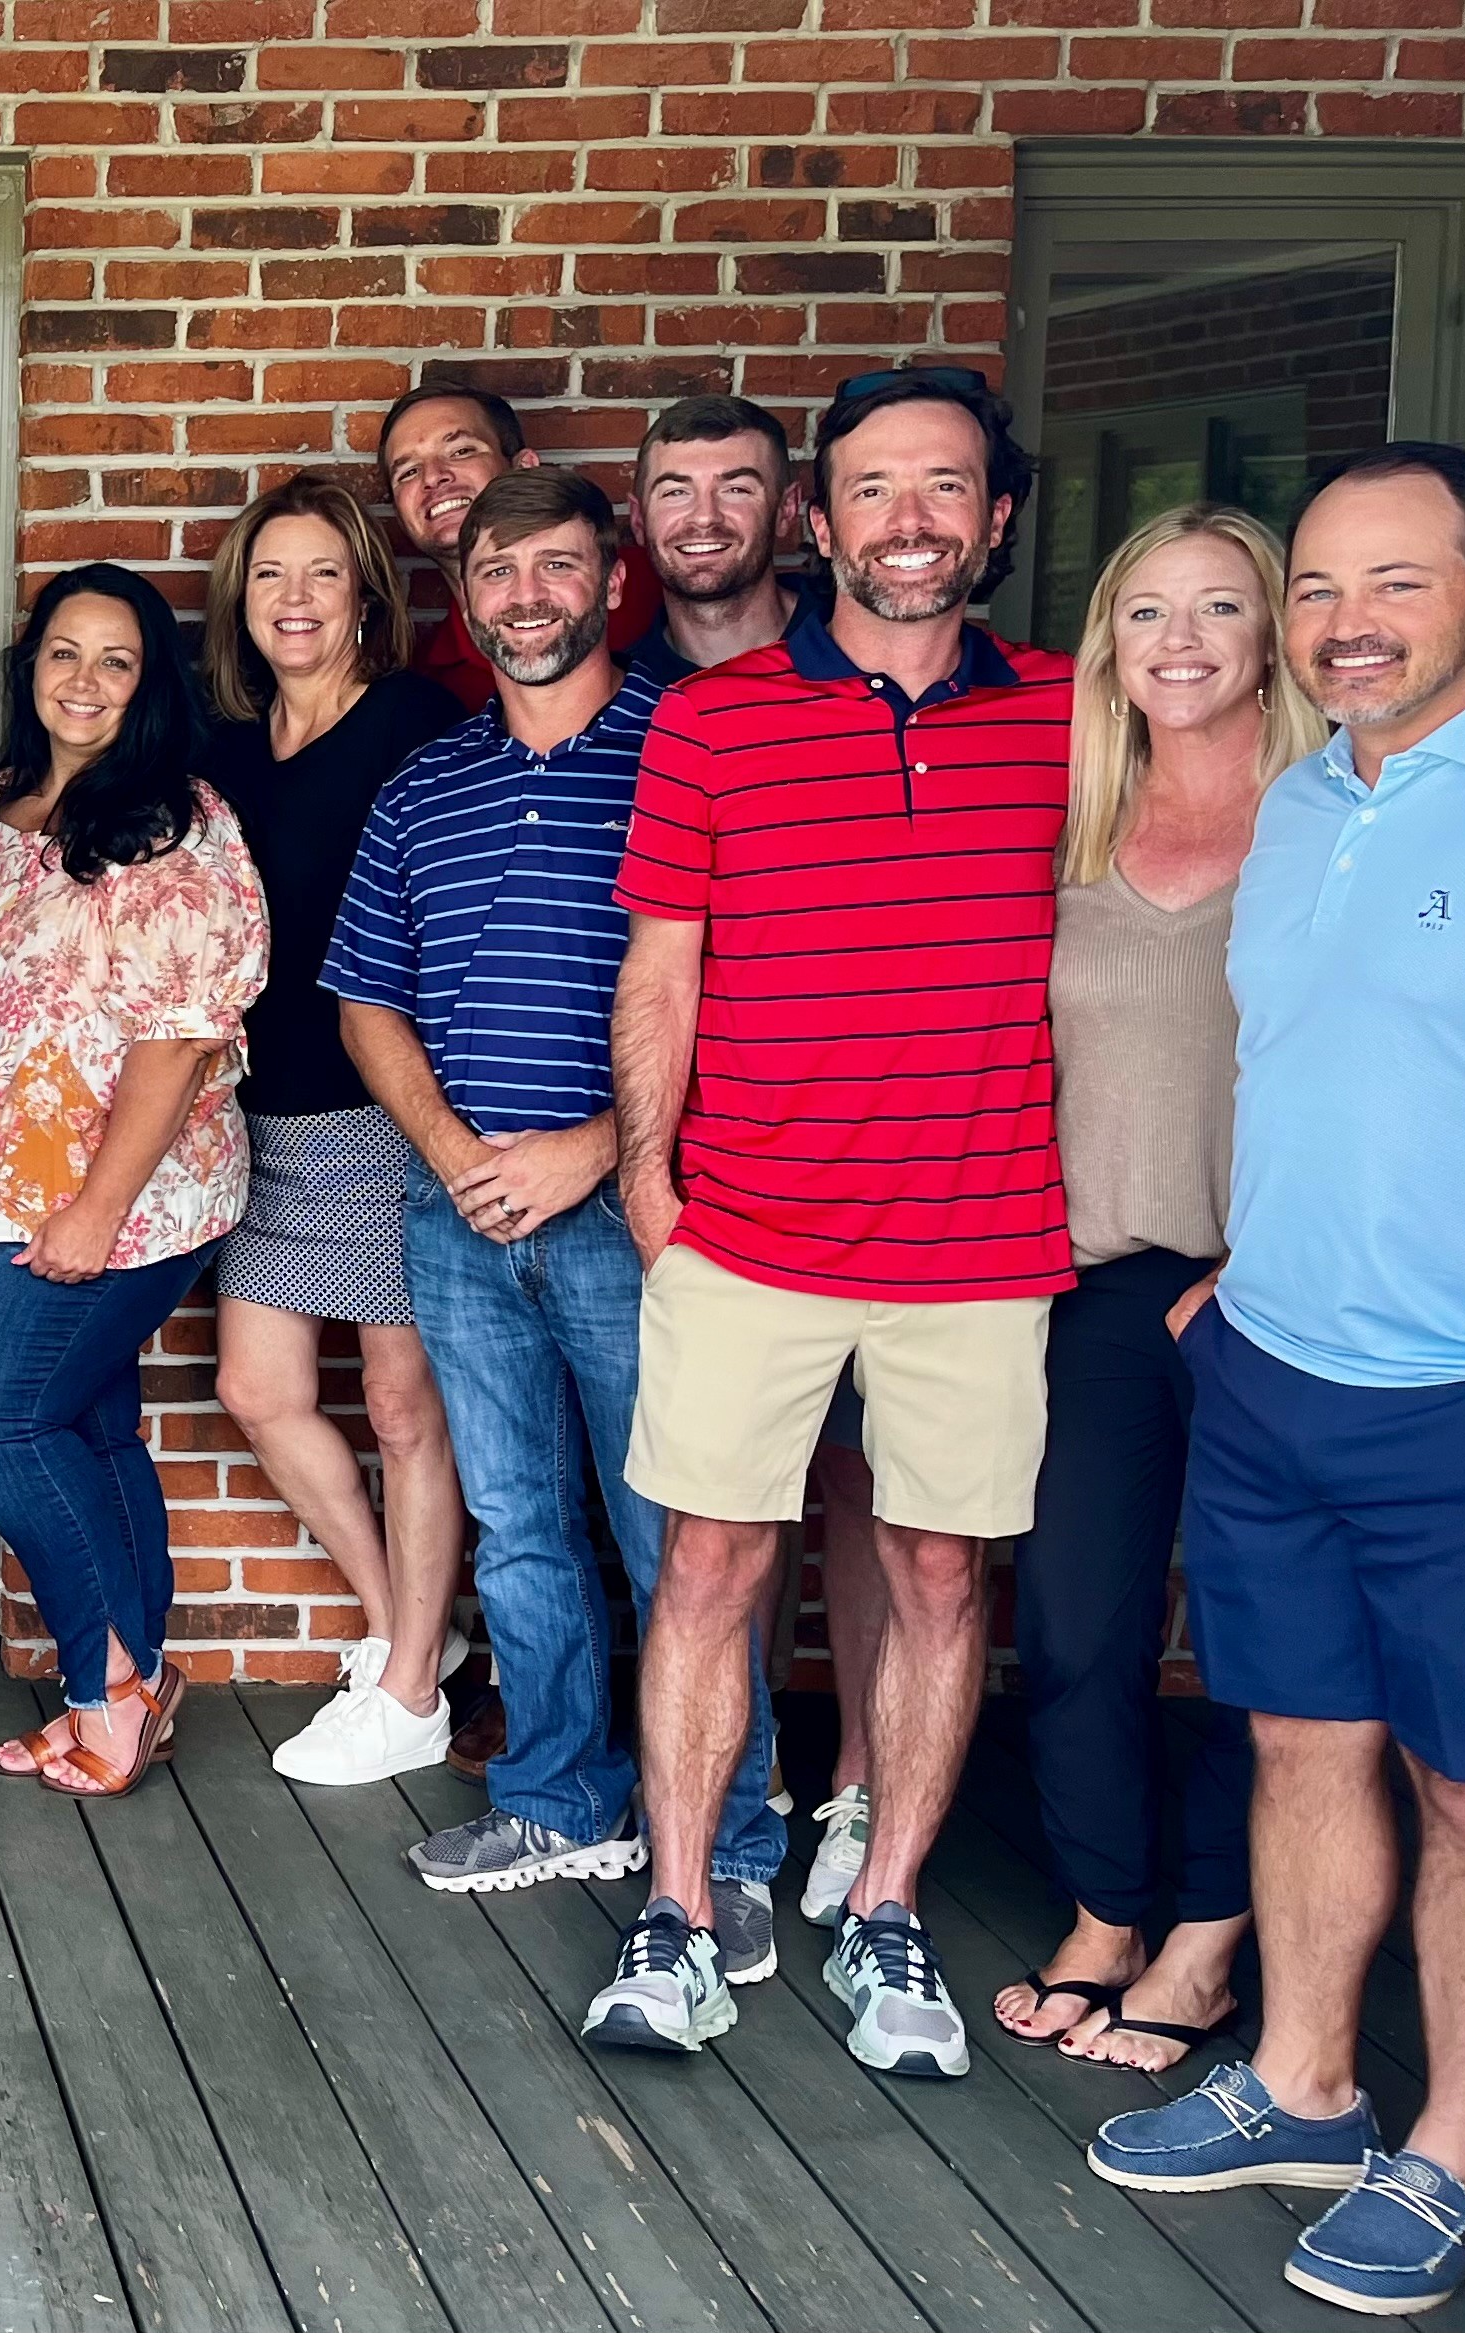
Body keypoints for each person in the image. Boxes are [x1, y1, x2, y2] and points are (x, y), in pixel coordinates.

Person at [598, 369, 1072, 2074]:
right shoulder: (712, 722)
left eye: (942, 486)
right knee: (707, 1562)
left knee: (938, 1570)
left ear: (994, 516)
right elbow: (662, 967)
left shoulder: (1074, 716)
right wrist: (648, 1179)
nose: (908, 520)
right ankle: (675, 1911)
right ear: (820, 518)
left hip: (980, 1233)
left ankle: (885, 1907)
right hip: (747, 1224)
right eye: (872, 488)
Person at [1091, 443, 1465, 2319]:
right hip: (1270, 1372)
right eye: (1322, 587)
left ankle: (1455, 2155)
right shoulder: (1305, 798)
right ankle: (1307, 2085)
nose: (1348, 623)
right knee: (1298, 1737)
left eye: (1396, 583)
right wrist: (1233, 1288)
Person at [324, 469, 785, 1931]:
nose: (525, 598)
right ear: (463, 599)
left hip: (637, 1213)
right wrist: (455, 1152)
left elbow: (749, 995)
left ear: (612, 580)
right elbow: (366, 999)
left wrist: (593, 1149)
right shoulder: (425, 784)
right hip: (458, 1214)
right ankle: (556, 1799)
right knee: (518, 1522)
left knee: (676, 1534)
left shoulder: (691, 747)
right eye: (497, 573)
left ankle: (727, 1840)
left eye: (555, 567)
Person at [988, 507, 1315, 2069]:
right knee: (1072, 1624)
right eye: (1144, 612)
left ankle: (1204, 1936)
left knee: (1264, 1643)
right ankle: (1106, 1906)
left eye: (1217, 608)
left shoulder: (1328, 816)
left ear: (1269, 639)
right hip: (1094, 1284)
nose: (1178, 641)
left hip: (1283, 1290)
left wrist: (1257, 1261)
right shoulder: (1064, 817)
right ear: (1105, 642)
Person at [0, 563, 266, 1795]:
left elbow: (179, 1039)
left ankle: (103, 1688)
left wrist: (96, 1210)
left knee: (3, 1412)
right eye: (64, 652)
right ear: (32, 668)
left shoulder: (179, 824)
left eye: (115, 660)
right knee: (92, 1423)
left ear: (148, 682)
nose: (84, 680)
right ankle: (141, 1682)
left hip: (122, 1201)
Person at [628, 392, 890, 1924]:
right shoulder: (623, 690)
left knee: (863, 1489)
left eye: (735, 487)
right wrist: (640, 1168)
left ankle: (851, 1780)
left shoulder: (864, 670)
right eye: (673, 490)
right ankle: (744, 1788)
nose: (703, 516)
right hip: (700, 1182)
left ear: (791, 513)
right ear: (638, 520)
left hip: (868, 1173)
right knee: (713, 1513)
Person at [188, 472, 473, 1789]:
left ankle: (408, 1688)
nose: (292, 599)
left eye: (319, 573)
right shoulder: (228, 752)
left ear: (364, 593)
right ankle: (409, 1630)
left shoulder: (414, 723)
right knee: (258, 1388)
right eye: (268, 575)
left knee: (405, 1407)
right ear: (239, 602)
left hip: (387, 1108)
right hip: (262, 1116)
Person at [376, 381, 656, 715]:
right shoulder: (429, 681)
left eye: (461, 451)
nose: (433, 477)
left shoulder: (651, 582)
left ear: (524, 466)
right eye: (408, 471)